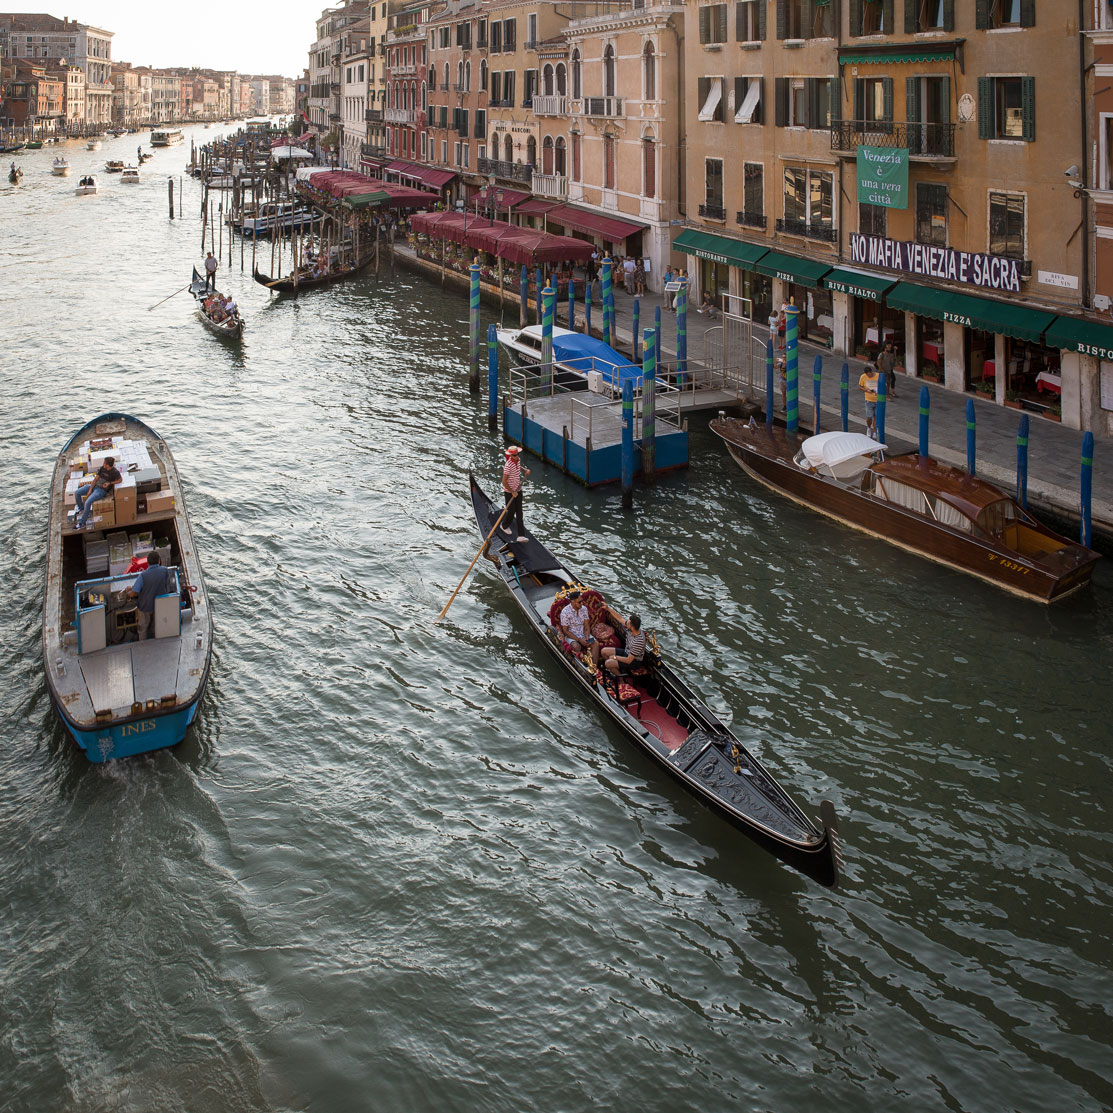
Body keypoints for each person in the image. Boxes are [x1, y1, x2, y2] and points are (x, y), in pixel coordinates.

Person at [125, 550, 172, 641]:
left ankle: (143, 645)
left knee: (143, 628)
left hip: (145, 606)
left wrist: (128, 591)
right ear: (159, 561)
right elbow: (166, 586)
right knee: (156, 625)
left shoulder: (143, 576)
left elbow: (133, 593)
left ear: (147, 562)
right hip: (159, 605)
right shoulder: (165, 571)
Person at [73, 456, 122, 529]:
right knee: (77, 492)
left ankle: (82, 523)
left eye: (104, 463)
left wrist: (109, 483)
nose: (103, 464)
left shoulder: (115, 472)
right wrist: (90, 490)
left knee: (88, 502)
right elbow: (95, 479)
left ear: (108, 465)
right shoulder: (102, 468)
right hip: (94, 486)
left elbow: (120, 480)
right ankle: (81, 509)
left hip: (101, 490)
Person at [559, 589, 599, 666]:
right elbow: (566, 631)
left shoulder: (584, 609)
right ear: (573, 602)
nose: (582, 603)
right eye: (579, 602)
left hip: (583, 634)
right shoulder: (565, 612)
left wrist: (586, 637)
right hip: (572, 637)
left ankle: (594, 667)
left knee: (596, 643)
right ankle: (581, 666)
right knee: (576, 646)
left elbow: (586, 626)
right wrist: (579, 640)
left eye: (582, 601)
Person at [501, 444, 531, 543]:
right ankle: (504, 526)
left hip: (518, 489)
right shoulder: (508, 466)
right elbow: (504, 482)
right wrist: (512, 491)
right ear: (510, 455)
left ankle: (521, 536)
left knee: (519, 512)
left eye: (518, 454)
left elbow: (518, 466)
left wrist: (525, 470)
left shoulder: (518, 460)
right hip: (509, 492)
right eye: (514, 455)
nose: (517, 456)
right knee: (511, 511)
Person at [858, 361, 881, 439]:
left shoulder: (878, 376)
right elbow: (860, 386)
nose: (869, 376)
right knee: (869, 416)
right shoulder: (863, 377)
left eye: (869, 374)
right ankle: (868, 428)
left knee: (876, 417)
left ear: (871, 372)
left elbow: (883, 385)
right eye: (867, 375)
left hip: (877, 399)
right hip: (869, 399)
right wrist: (866, 390)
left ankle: (874, 431)